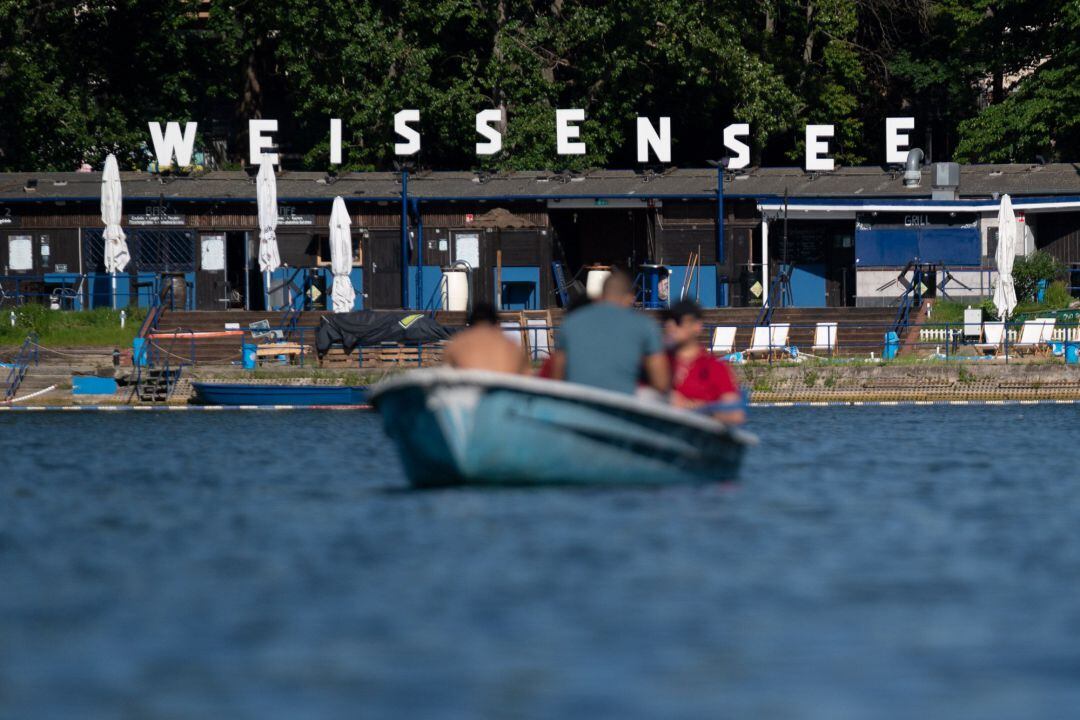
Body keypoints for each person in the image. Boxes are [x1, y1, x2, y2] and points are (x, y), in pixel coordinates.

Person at [549, 270, 669, 395]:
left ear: (601, 296)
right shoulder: (644, 325)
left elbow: (557, 378)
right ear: (629, 297)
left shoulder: (570, 322)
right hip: (621, 402)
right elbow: (661, 382)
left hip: (579, 401)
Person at [663, 299, 745, 424]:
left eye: (678, 321)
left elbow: (736, 415)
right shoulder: (659, 362)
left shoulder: (714, 367)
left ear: (697, 326)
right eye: (667, 320)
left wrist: (689, 406)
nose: (671, 326)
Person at [444, 302, 529, 374]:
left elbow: (445, 374)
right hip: (503, 386)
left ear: (470, 325)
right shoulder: (511, 347)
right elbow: (527, 376)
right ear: (497, 325)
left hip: (470, 386)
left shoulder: (458, 344)